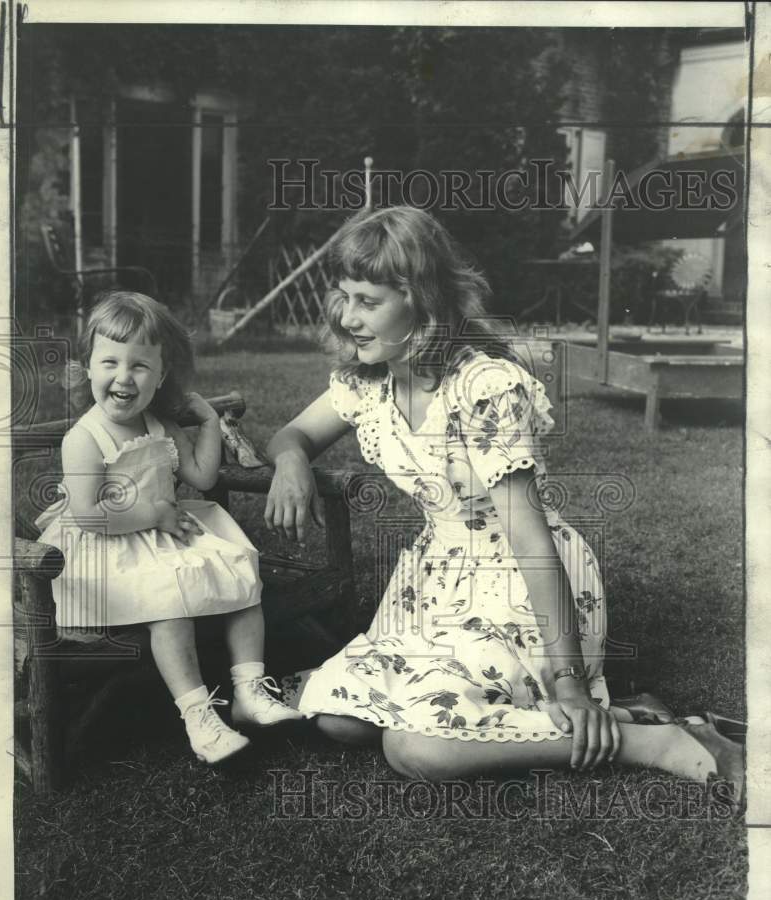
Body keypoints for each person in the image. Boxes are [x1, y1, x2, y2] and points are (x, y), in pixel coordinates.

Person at [263, 206, 743, 806]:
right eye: (344, 296)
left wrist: (569, 682)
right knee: (340, 720)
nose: (347, 316)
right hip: (435, 583)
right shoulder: (367, 381)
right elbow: (292, 434)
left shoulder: (484, 387)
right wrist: (291, 463)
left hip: (516, 581)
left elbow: (531, 541)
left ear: (421, 300)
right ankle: (629, 712)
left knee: (416, 749)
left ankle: (653, 742)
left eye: (368, 301)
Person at [36, 292, 300, 766]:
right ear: (87, 368)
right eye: (110, 362)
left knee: (241, 572)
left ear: (160, 376)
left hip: (162, 534)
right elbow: (88, 514)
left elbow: (202, 477)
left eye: (140, 365)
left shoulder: (160, 425)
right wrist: (156, 515)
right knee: (169, 604)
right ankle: (198, 715)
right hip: (104, 547)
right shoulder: (84, 438)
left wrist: (209, 423)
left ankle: (249, 688)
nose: (124, 376)